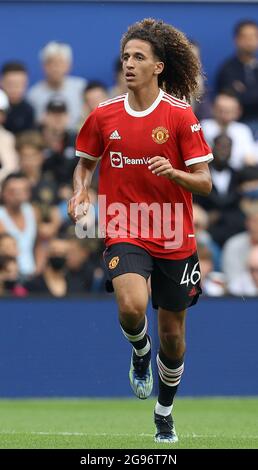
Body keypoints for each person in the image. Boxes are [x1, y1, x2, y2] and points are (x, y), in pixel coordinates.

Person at [68, 18, 213, 444]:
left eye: (139, 57)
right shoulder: (103, 115)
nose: (129, 64)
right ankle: (139, 352)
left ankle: (164, 411)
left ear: (158, 67)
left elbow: (204, 181)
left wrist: (175, 173)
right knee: (132, 306)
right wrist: (81, 192)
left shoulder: (180, 116)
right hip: (124, 225)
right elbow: (84, 163)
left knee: (174, 336)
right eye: (126, 57)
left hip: (173, 234)